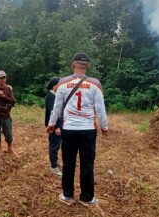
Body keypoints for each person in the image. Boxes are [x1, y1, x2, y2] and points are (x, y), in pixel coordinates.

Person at [47, 52, 109, 206]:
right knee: (87, 163)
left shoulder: (62, 83)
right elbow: (100, 108)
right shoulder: (95, 84)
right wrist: (104, 126)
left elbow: (57, 108)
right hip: (88, 130)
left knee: (68, 163)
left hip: (69, 129)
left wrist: (51, 123)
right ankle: (86, 198)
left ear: (73, 64)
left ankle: (67, 196)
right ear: (87, 66)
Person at [45, 77, 63, 176]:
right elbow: (53, 113)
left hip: (56, 125)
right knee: (54, 146)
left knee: (56, 145)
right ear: (54, 85)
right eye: (59, 84)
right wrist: (56, 127)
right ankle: (53, 167)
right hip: (53, 126)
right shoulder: (51, 96)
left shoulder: (55, 95)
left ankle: (55, 162)